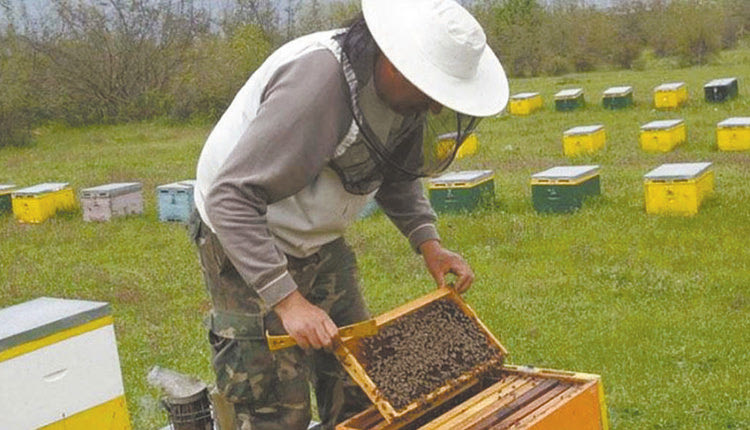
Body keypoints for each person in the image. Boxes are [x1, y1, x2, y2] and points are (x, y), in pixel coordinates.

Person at [190, 0, 508, 428]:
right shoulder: (318, 86)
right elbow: (230, 198)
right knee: (272, 406)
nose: (435, 108)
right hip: (244, 230)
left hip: (318, 238)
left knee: (358, 380)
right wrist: (288, 300)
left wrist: (429, 244)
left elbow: (397, 171)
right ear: (396, 65)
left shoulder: (400, 97)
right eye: (432, 92)